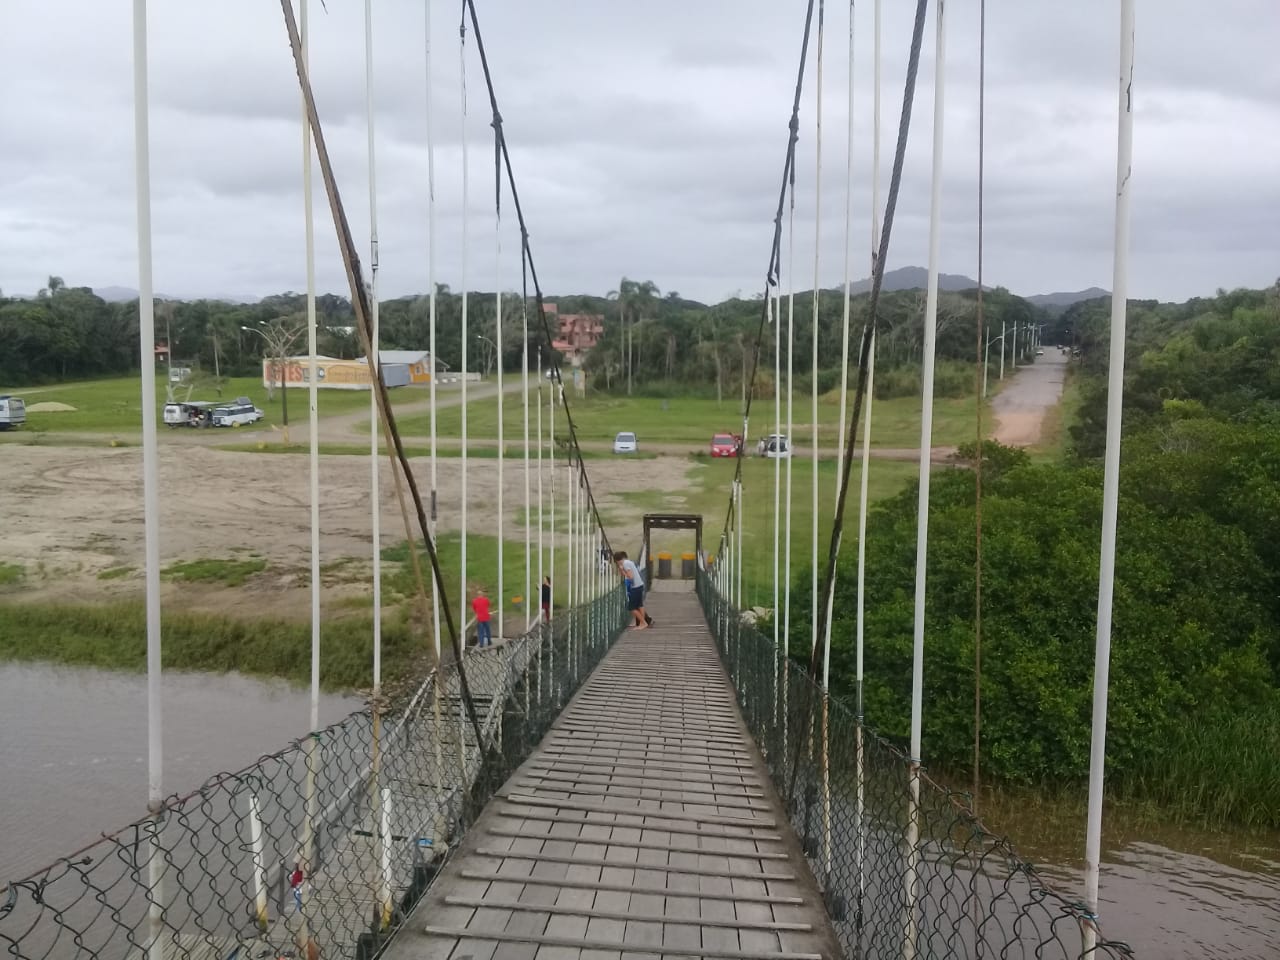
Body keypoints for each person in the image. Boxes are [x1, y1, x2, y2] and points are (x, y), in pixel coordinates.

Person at [612, 550, 653, 629]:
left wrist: (622, 570)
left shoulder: (625, 564)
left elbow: (630, 577)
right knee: (640, 605)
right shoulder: (629, 562)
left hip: (635, 587)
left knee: (632, 608)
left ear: (617, 561)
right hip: (639, 585)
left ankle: (643, 623)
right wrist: (621, 570)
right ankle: (639, 622)